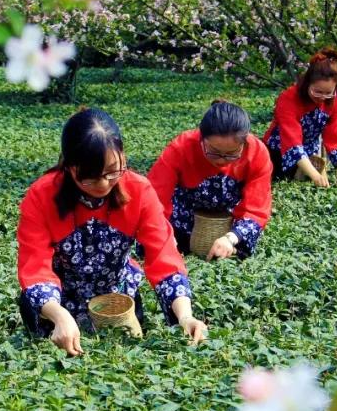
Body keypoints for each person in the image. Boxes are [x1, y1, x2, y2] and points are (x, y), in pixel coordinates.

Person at [16, 108, 209, 355]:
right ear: (69, 166)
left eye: (113, 171)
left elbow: (163, 256)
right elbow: (35, 266)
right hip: (57, 302)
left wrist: (185, 316)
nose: (104, 183)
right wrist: (60, 315)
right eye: (91, 177)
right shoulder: (41, 196)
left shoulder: (139, 190)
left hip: (117, 300)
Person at [147, 100, 272, 260]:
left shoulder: (257, 152)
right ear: (201, 137)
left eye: (232, 154)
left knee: (243, 246)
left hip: (228, 216)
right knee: (153, 244)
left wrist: (232, 238)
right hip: (185, 213)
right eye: (213, 152)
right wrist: (163, 233)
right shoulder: (181, 147)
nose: (221, 160)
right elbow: (155, 197)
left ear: (244, 143)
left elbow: (257, 208)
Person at [263, 47, 337, 185]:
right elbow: (291, 140)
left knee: (308, 172)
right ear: (307, 83)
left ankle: (306, 169)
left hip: (309, 151)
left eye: (328, 93)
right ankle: (303, 170)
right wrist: (315, 176)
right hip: (278, 151)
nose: (322, 98)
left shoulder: (334, 100)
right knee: (275, 175)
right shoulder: (288, 98)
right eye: (317, 92)